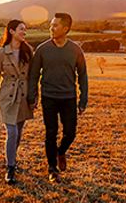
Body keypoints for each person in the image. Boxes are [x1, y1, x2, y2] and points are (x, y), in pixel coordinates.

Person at [28, 13, 88, 183]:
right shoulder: (42, 49)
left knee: (70, 133)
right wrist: (33, 97)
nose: (51, 28)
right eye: (51, 24)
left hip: (69, 97)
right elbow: (33, 75)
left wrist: (83, 99)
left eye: (55, 25)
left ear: (66, 28)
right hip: (49, 97)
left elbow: (82, 75)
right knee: (51, 133)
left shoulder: (75, 50)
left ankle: (61, 151)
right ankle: (52, 169)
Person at [0, 20, 34, 184]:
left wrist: (34, 98)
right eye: (21, 29)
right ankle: (10, 167)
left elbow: (33, 77)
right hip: (7, 97)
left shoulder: (28, 51)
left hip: (23, 96)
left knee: (19, 133)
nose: (24, 32)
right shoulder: (1, 52)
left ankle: (12, 158)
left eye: (25, 29)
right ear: (12, 31)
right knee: (12, 132)